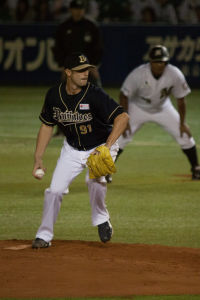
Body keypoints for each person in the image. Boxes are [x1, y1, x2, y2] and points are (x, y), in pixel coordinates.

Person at [31, 52, 129, 249]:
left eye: (87, 69)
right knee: (54, 190)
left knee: (94, 179)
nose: (86, 73)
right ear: (68, 72)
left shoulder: (94, 94)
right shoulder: (54, 95)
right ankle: (44, 235)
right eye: (80, 70)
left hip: (101, 144)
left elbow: (123, 117)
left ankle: (101, 219)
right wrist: (38, 157)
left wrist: (107, 147)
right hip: (72, 149)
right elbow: (47, 125)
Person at [111, 45, 200, 182]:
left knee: (185, 135)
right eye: (157, 61)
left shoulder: (174, 74)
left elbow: (181, 100)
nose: (160, 65)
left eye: (162, 62)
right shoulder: (138, 74)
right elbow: (123, 95)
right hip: (138, 107)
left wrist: (182, 123)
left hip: (163, 108)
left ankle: (196, 168)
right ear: (150, 62)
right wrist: (125, 119)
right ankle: (106, 171)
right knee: (120, 137)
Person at [52, 0, 104, 137]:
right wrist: (63, 66)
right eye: (75, 8)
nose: (78, 11)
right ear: (70, 10)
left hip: (88, 68)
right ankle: (62, 130)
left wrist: (94, 65)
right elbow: (58, 48)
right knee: (63, 99)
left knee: (97, 98)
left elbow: (97, 48)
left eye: (80, 8)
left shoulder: (91, 26)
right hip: (69, 68)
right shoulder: (64, 27)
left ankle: (101, 127)